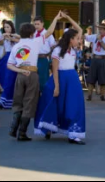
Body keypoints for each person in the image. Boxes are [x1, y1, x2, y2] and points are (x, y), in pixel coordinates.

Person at [7, 13, 61, 142]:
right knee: (29, 102)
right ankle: (22, 133)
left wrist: (20, 69)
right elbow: (49, 31)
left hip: (20, 75)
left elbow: (9, 65)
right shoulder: (36, 42)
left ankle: (13, 128)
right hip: (32, 74)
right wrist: (55, 18)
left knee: (18, 101)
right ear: (32, 34)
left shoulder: (16, 46)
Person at [35, 14, 86, 145]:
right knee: (54, 103)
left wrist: (68, 17)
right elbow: (55, 69)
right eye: (76, 39)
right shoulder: (57, 50)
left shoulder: (73, 48)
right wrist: (57, 86)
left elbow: (79, 29)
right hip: (60, 79)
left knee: (74, 105)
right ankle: (48, 128)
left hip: (72, 80)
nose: (78, 40)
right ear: (70, 39)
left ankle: (73, 133)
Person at [0, 21, 19, 109]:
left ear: (12, 27)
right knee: (3, 75)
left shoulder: (15, 35)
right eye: (5, 27)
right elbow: (4, 49)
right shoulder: (4, 37)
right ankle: (8, 101)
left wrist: (11, 38)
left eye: (8, 27)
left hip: (14, 59)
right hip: (6, 58)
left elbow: (21, 40)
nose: (6, 29)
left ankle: (3, 100)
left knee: (10, 79)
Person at [86, 24, 105, 102]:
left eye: (101, 29)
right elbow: (86, 38)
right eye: (99, 29)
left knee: (103, 78)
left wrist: (100, 40)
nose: (100, 30)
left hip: (102, 59)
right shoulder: (95, 36)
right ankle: (89, 95)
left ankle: (102, 95)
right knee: (91, 77)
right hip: (95, 58)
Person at [33, 16, 57, 92]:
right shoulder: (33, 34)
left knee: (43, 80)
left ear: (42, 24)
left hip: (43, 58)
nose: (36, 26)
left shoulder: (48, 34)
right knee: (34, 80)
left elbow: (53, 46)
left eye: (38, 24)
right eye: (35, 24)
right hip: (34, 58)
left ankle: (44, 96)